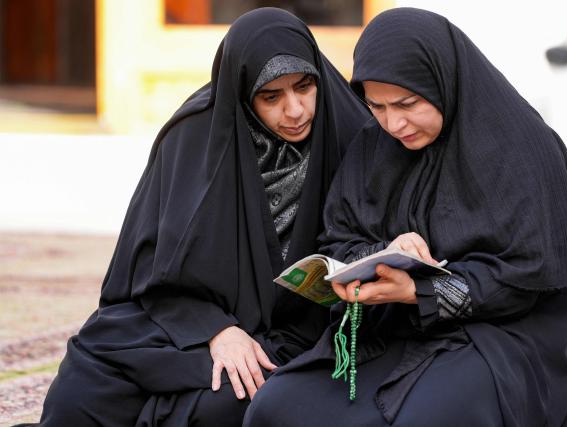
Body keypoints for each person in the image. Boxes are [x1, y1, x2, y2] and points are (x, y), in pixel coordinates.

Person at [244, 8, 567, 427]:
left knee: (422, 417)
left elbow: (531, 276)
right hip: (396, 331)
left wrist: (420, 291)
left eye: (407, 103)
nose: (394, 123)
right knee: (277, 406)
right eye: (376, 106)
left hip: (502, 335)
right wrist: (383, 254)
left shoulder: (524, 151)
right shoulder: (373, 148)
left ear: (442, 81)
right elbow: (339, 238)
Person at [34, 8, 369, 427]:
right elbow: (147, 264)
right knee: (83, 386)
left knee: (232, 400)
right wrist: (216, 330)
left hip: (287, 331)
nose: (296, 110)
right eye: (272, 97)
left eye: (304, 87)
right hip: (182, 315)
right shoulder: (194, 135)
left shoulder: (349, 134)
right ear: (242, 93)